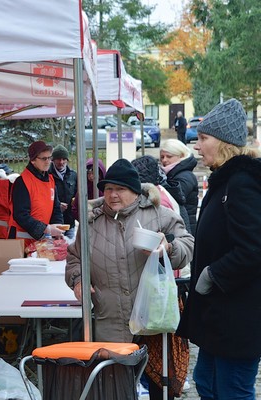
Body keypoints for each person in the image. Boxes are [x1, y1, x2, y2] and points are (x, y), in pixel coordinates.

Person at [65, 159, 194, 398]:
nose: (112, 195)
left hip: (154, 320)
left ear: (134, 191)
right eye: (108, 189)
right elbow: (75, 258)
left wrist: (168, 247)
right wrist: (78, 279)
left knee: (158, 385)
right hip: (110, 319)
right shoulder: (92, 223)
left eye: (120, 189)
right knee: (114, 386)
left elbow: (188, 247)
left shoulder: (159, 215)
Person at [177, 99, 261, 400]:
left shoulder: (241, 184)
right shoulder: (224, 182)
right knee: (207, 381)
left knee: (232, 390)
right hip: (219, 316)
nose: (196, 146)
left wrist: (213, 273)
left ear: (223, 143)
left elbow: (254, 249)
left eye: (203, 138)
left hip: (238, 318)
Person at [131, 155, 191, 399]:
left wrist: (166, 247)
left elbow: (181, 238)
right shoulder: (162, 194)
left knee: (159, 352)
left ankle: (158, 385)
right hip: (164, 283)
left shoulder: (158, 203)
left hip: (163, 286)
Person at [8, 141, 65, 246]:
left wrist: (57, 227)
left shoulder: (50, 180)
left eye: (49, 158)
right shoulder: (22, 181)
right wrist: (46, 229)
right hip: (20, 241)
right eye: (44, 158)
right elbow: (21, 215)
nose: (48, 161)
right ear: (33, 160)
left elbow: (56, 208)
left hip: (40, 240)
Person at [160, 139, 199, 235]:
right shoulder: (172, 174)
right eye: (162, 157)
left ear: (181, 156)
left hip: (186, 229)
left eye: (169, 156)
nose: (164, 160)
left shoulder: (185, 176)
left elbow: (176, 197)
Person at [49, 144, 78, 239]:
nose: (61, 162)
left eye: (64, 159)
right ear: (53, 160)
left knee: (69, 249)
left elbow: (77, 195)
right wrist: (57, 205)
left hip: (69, 222)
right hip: (53, 223)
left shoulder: (73, 175)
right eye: (58, 159)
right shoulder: (47, 175)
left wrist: (74, 202)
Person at [71, 157, 106, 222]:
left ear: (100, 173)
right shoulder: (84, 189)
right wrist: (85, 220)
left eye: (93, 173)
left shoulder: (106, 188)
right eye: (88, 173)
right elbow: (75, 208)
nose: (91, 176)